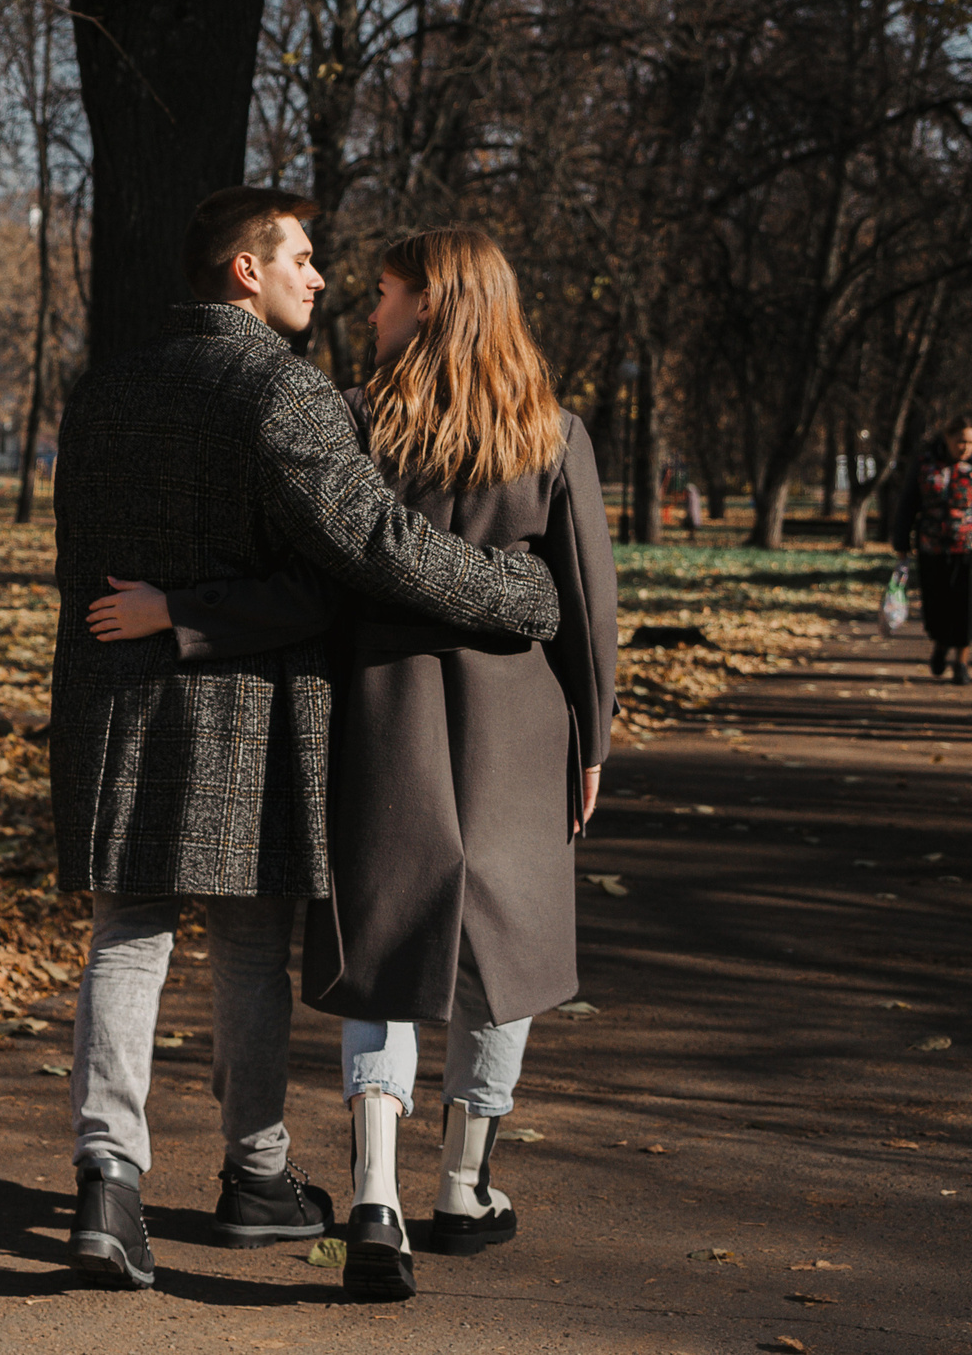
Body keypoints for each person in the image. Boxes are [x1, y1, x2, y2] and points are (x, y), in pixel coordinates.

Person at [88, 227, 616, 1302]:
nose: (362, 309)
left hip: (385, 714)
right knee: (500, 949)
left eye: (382, 293)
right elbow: (587, 606)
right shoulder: (553, 433)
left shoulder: (361, 429)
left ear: (433, 305)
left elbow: (310, 592)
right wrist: (593, 738)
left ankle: (374, 1191)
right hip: (521, 723)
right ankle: (464, 1183)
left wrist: (177, 614)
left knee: (386, 941)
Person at [890, 424, 972, 683]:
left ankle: (961, 661)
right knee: (936, 605)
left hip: (969, 547)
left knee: (966, 606)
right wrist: (901, 541)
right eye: (961, 441)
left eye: (971, 443)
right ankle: (940, 645)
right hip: (932, 547)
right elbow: (908, 502)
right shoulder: (925, 463)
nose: (965, 447)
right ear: (947, 438)